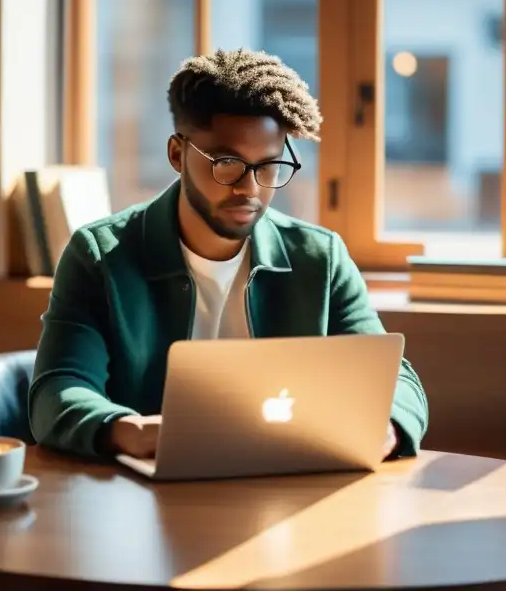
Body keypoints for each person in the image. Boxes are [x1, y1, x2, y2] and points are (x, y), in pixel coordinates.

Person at [28, 48, 428, 461]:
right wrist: (133, 432)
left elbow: (397, 381)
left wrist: (385, 427)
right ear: (177, 155)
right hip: (142, 495)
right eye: (227, 163)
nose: (249, 188)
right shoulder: (100, 256)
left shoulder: (320, 259)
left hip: (288, 493)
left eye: (269, 166)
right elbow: (56, 390)